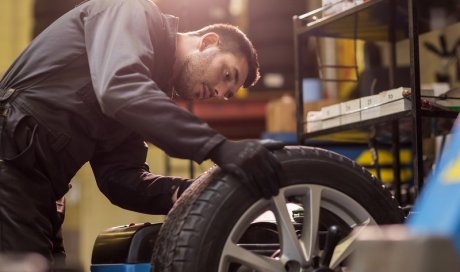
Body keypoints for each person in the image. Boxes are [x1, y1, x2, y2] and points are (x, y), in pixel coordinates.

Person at [0, 0, 284, 263]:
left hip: (37, 186)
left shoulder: (143, 89)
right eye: (226, 75)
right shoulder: (130, 11)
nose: (219, 91)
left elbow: (119, 177)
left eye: (227, 94)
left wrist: (188, 192)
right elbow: (120, 89)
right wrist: (219, 146)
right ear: (208, 42)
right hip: (9, 156)